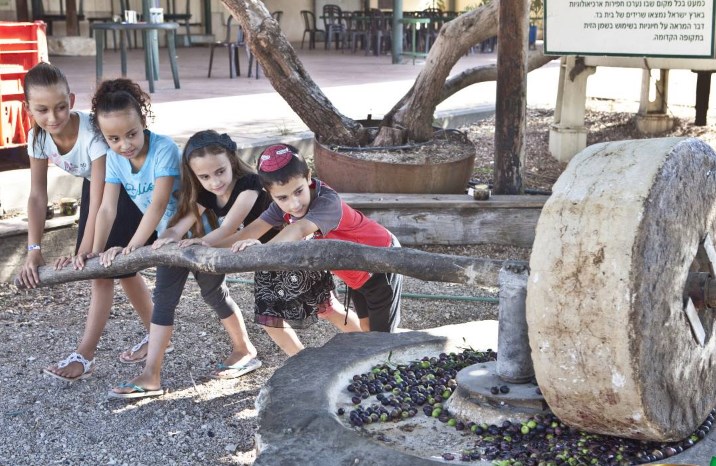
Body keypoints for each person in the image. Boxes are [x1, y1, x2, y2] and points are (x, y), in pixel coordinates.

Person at [109, 131, 359, 398]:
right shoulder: (208, 193)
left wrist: (201, 244)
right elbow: (187, 219)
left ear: (232, 161)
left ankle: (370, 340)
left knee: (326, 307)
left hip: (287, 249)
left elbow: (231, 229)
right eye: (204, 177)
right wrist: (171, 235)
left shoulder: (248, 185)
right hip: (265, 258)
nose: (214, 182)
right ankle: (305, 365)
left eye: (220, 172)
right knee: (271, 320)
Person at [18, 63, 157, 382]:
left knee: (100, 271)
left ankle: (85, 355)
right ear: (28, 109)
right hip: (99, 189)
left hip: (129, 185)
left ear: (72, 99)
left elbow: (99, 203)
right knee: (120, 268)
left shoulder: (92, 133)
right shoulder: (38, 138)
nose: (52, 118)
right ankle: (157, 333)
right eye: (42, 110)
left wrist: (84, 251)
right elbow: (37, 196)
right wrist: (33, 249)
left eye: (60, 107)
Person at [230, 143, 403, 336]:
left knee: (382, 339)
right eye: (282, 197)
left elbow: (300, 229)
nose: (294, 204)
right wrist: (206, 244)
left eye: (298, 191)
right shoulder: (281, 207)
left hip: (380, 263)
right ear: (269, 193)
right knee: (367, 328)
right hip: (355, 272)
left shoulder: (327, 202)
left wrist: (262, 250)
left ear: (308, 177)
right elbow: (249, 231)